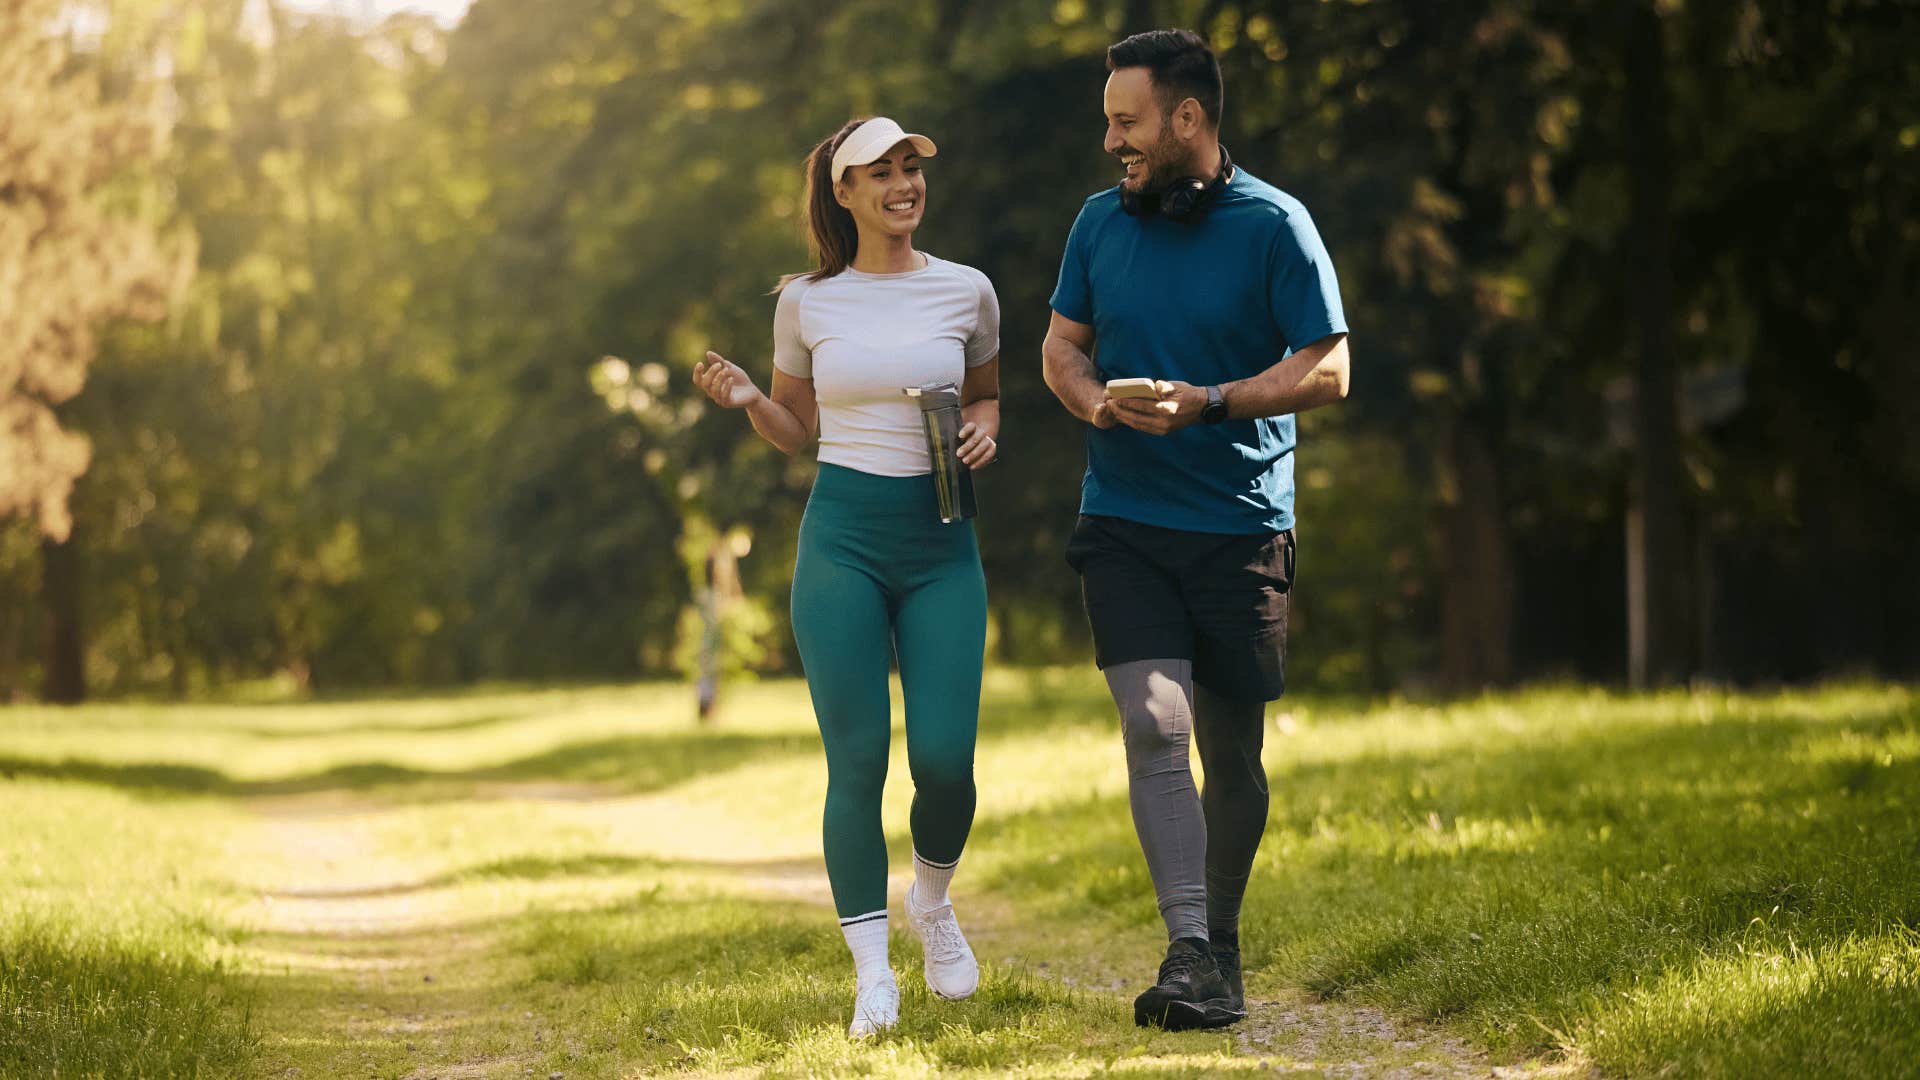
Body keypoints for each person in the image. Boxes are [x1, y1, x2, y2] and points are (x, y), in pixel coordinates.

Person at [1041, 29, 1351, 1031]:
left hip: (1240, 526)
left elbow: (1331, 368)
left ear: (1188, 119)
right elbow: (1059, 349)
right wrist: (1096, 407)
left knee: (1233, 750)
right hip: (1125, 519)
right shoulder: (1098, 224)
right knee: (1153, 723)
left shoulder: (1275, 225)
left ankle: (1219, 941)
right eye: (1105, 123)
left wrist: (1213, 402)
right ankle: (1187, 948)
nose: (1111, 143)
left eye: (1126, 123)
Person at [692, 116, 1002, 1038]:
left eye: (912, 168)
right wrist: (754, 401)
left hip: (942, 543)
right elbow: (799, 426)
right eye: (883, 172)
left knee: (945, 759)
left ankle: (933, 902)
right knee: (857, 760)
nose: (904, 184)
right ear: (845, 190)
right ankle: (873, 976)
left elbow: (986, 394)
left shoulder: (968, 290)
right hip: (844, 544)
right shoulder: (807, 303)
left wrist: (989, 429)